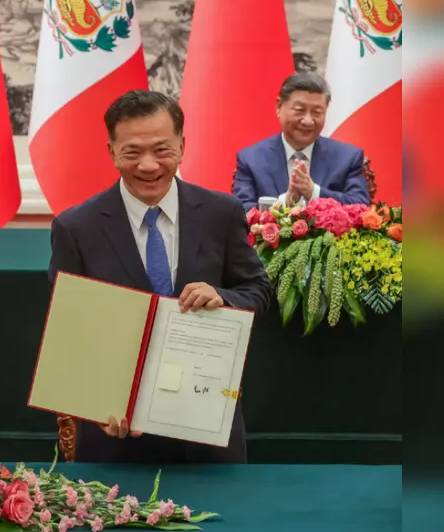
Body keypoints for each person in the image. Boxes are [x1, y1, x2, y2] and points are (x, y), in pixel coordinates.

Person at [48, 90, 272, 464]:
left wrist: (223, 297)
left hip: (206, 428)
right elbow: (69, 328)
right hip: (116, 436)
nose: (149, 165)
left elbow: (258, 291)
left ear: (182, 146)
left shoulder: (221, 213)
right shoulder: (76, 228)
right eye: (132, 152)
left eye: (162, 149)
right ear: (111, 151)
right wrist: (94, 402)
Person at [233, 72, 370, 211]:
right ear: (279, 107)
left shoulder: (347, 158)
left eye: (317, 112)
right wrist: (285, 202)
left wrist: (314, 192)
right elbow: (241, 211)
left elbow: (360, 208)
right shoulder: (251, 159)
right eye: (299, 110)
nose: (308, 121)